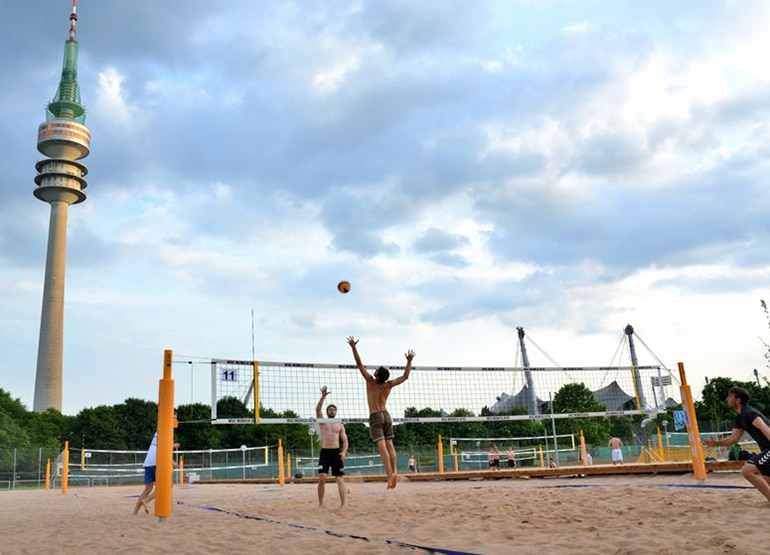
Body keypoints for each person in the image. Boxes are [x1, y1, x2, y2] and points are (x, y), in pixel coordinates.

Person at [347, 335, 415, 489]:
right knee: (390, 444)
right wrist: (409, 361)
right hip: (387, 415)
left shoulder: (370, 381)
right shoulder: (388, 385)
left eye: (376, 370)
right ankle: (395, 471)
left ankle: (390, 474)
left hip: (376, 416)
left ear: (377, 374)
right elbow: (405, 376)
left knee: (382, 446)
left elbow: (359, 364)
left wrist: (353, 347)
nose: (374, 370)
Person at [702, 386, 770, 503]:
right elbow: (733, 438)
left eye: (729, 397)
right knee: (766, 478)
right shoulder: (740, 417)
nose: (727, 399)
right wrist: (716, 443)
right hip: (765, 449)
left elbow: (765, 427)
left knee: (747, 471)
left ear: (737, 400)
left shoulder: (749, 413)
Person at [133, 412, 179, 515]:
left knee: (148, 489)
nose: (175, 419)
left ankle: (134, 513)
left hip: (148, 462)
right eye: (174, 417)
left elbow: (160, 447)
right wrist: (173, 463)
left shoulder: (159, 430)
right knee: (166, 486)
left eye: (176, 417)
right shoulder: (166, 430)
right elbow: (163, 450)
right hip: (156, 463)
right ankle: (147, 500)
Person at [316, 386, 348, 508]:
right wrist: (323, 397)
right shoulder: (323, 422)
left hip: (336, 452)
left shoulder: (340, 425)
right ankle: (321, 504)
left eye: (334, 409)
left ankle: (343, 505)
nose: (332, 411)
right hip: (325, 452)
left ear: (336, 412)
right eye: (330, 409)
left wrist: (344, 452)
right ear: (327, 412)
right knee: (322, 477)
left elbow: (345, 441)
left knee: (339, 479)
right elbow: (318, 409)